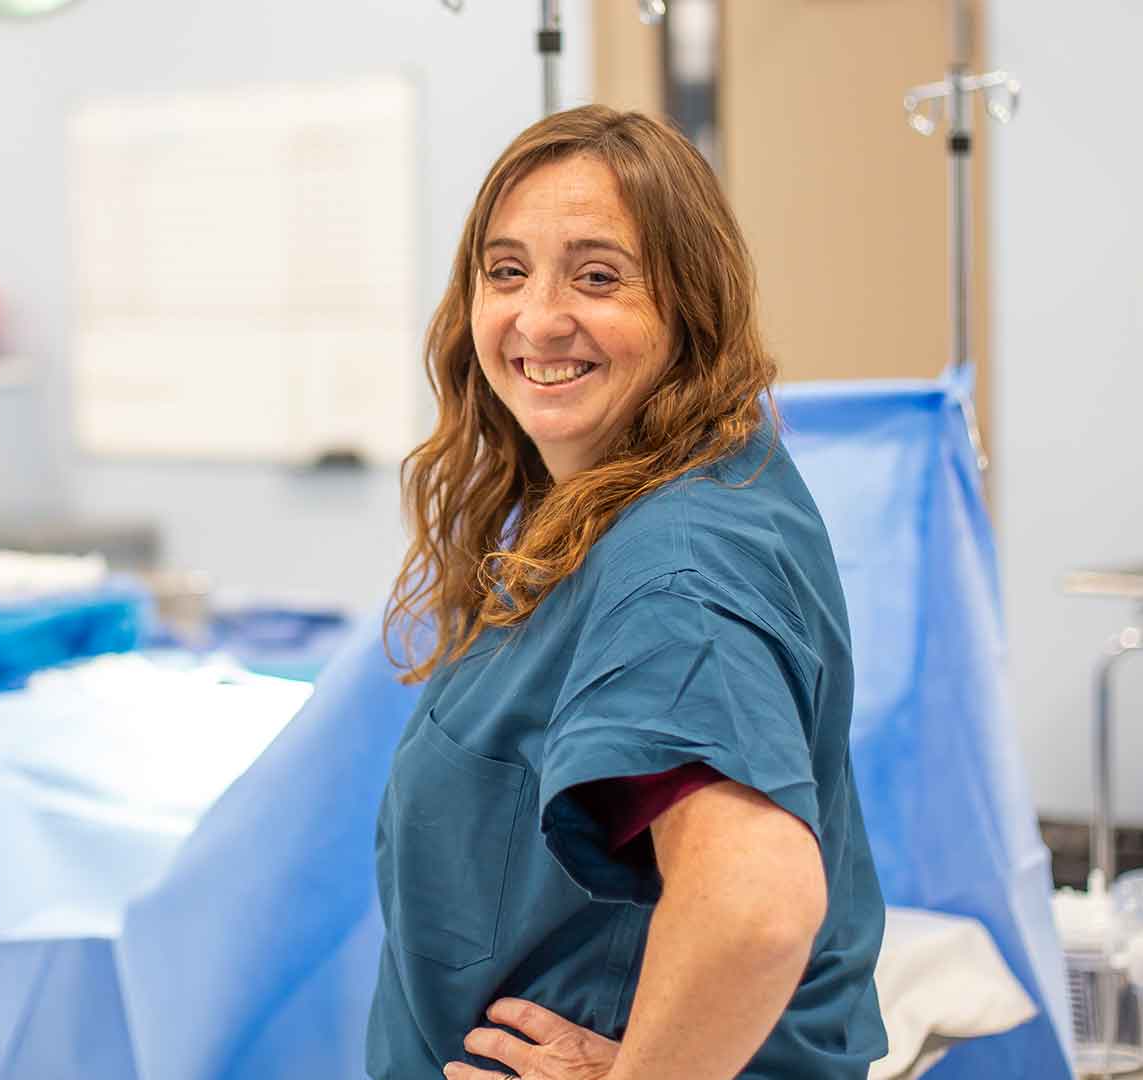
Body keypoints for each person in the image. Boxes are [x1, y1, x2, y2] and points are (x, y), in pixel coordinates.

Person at [368, 106, 886, 1080]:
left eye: (598, 276)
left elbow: (759, 906)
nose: (538, 317)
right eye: (507, 270)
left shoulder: (678, 563)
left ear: (688, 307)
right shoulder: (623, 506)